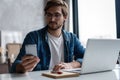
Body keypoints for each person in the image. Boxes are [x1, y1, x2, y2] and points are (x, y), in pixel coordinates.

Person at [11, 0, 85, 73]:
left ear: (65, 17)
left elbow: (86, 57)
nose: (52, 19)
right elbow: (15, 65)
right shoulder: (33, 37)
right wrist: (22, 67)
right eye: (49, 15)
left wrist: (71, 65)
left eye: (57, 15)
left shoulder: (72, 38)